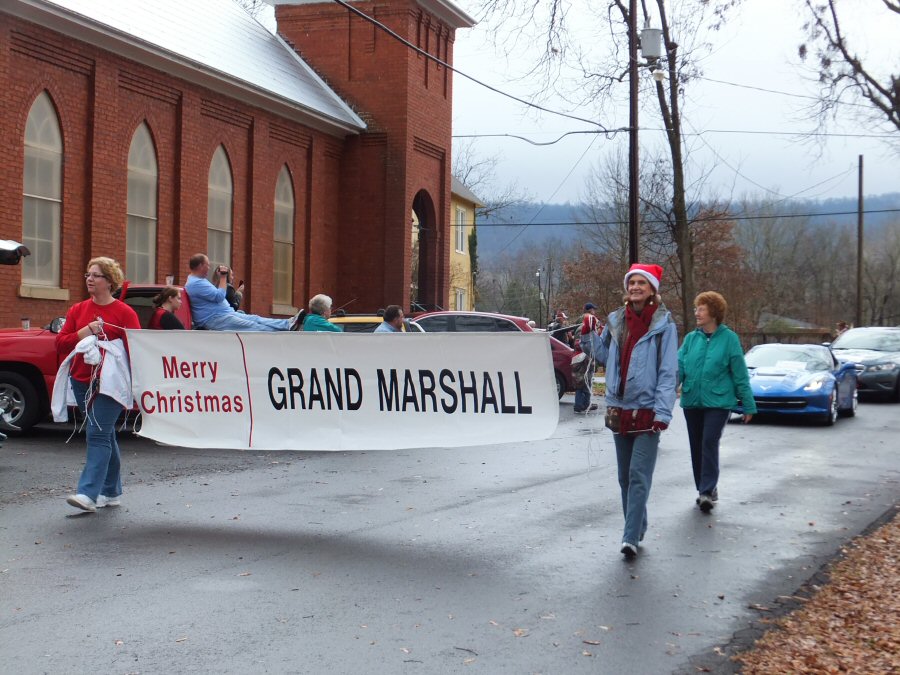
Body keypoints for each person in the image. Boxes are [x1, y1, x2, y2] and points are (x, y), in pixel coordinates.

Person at [583, 264, 678, 560]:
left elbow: (668, 373)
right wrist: (588, 335)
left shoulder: (665, 325)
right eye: (632, 282)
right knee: (625, 477)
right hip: (618, 408)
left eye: (641, 283)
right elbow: (601, 356)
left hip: (648, 411)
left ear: (652, 289)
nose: (635, 287)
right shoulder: (615, 321)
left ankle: (629, 537)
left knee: (638, 475)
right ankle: (638, 526)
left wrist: (663, 413)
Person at [55, 257, 141, 512]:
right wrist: (86, 331)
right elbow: (60, 344)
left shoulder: (124, 313)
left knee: (97, 434)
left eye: (96, 275)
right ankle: (111, 491)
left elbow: (136, 350)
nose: (90, 279)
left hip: (111, 385)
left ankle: (88, 494)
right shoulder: (78, 310)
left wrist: (139, 385)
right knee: (106, 434)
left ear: (110, 281)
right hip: (81, 380)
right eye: (88, 274)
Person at [678, 291, 756, 513]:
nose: (697, 313)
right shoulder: (691, 339)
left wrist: (748, 404)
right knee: (696, 445)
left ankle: (706, 490)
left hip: (719, 402)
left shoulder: (729, 339)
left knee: (709, 441)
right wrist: (670, 383)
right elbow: (679, 365)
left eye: (701, 308)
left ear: (714, 312)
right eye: (696, 308)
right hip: (693, 400)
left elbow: (740, 374)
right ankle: (705, 488)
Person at [184, 254, 302, 331]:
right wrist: (224, 277)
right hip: (216, 318)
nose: (209, 268)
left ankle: (288, 324)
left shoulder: (197, 281)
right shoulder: (196, 283)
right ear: (200, 266)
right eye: (207, 265)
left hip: (223, 315)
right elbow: (220, 297)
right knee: (252, 326)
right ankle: (286, 332)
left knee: (255, 319)